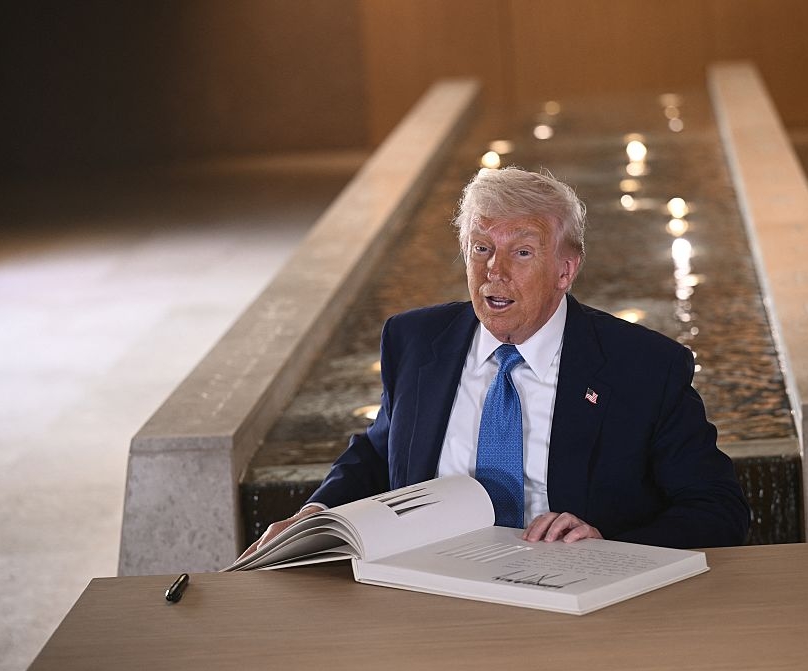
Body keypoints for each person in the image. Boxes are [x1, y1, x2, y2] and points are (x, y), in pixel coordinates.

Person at [240, 167, 748, 560]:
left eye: (521, 253)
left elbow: (718, 509)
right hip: (425, 590)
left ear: (565, 269)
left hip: (571, 601)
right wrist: (315, 514)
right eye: (481, 248)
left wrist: (607, 543)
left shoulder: (644, 368)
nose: (494, 272)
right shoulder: (415, 342)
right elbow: (378, 454)